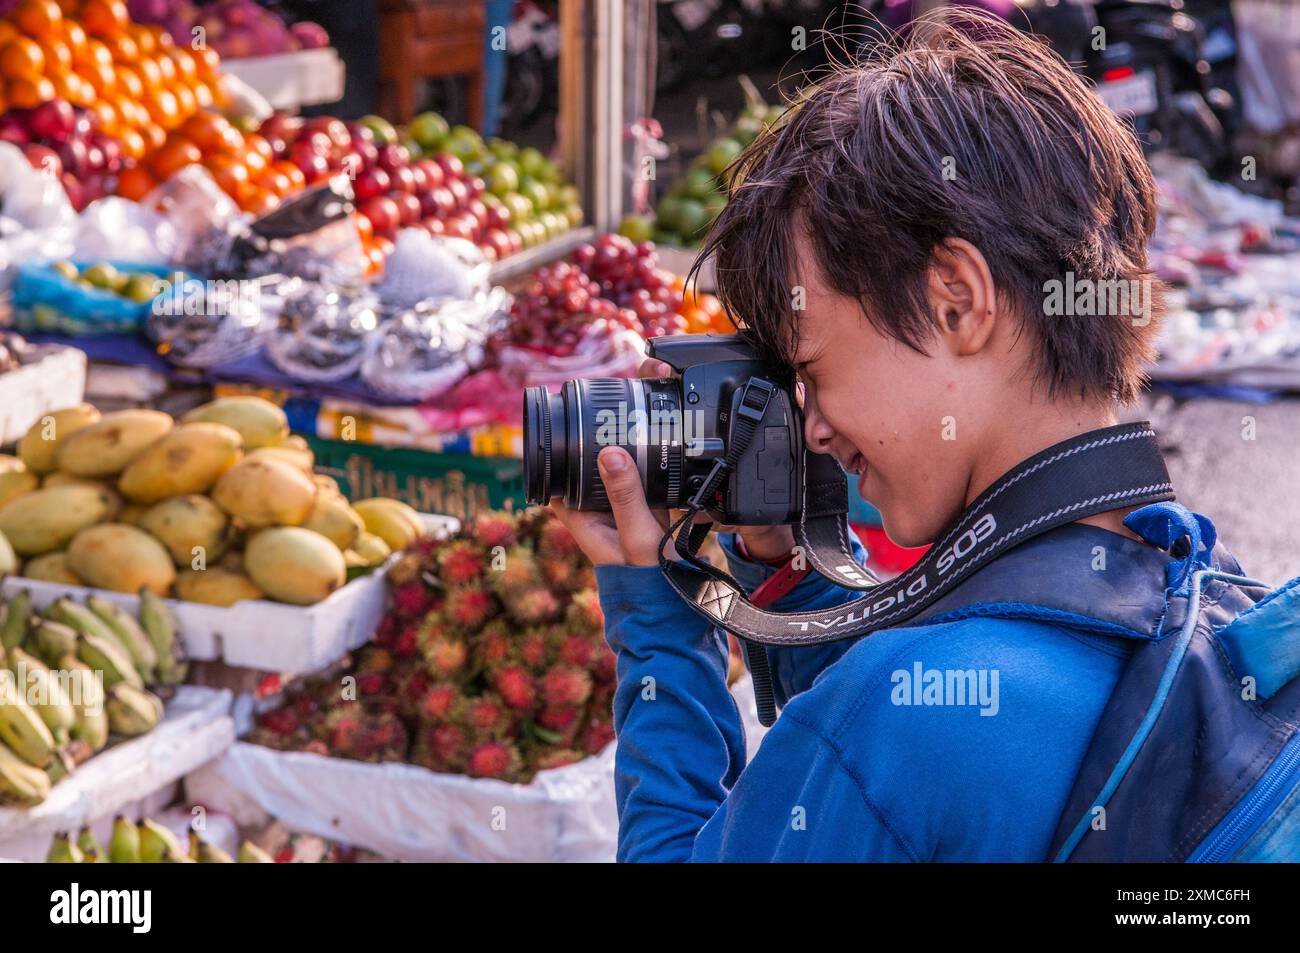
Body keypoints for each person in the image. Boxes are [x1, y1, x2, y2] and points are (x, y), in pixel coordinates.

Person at [553, 9, 1196, 861]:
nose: (812, 428)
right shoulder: (1190, 588)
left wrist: (659, 618)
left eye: (811, 368)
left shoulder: (889, 727)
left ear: (956, 301)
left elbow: (883, 754)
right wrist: (786, 562)